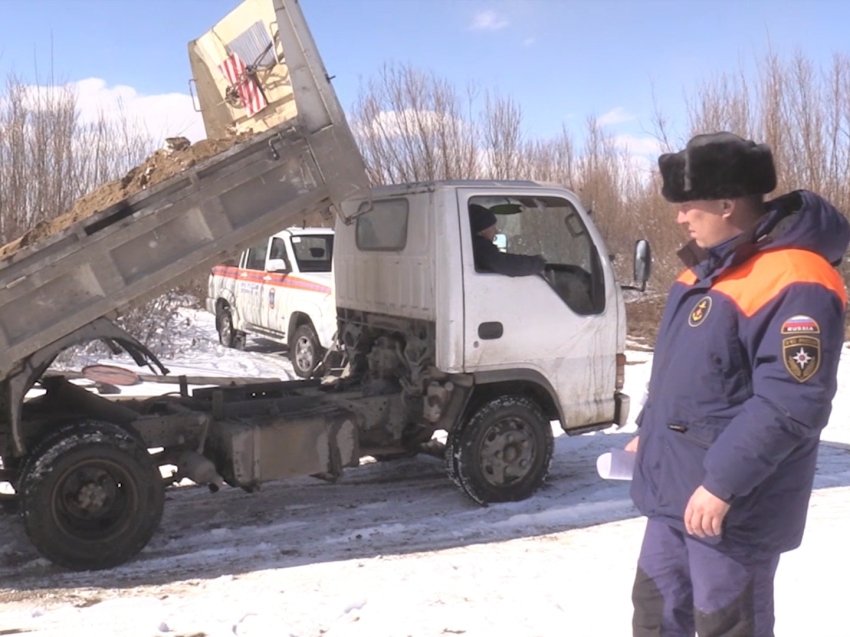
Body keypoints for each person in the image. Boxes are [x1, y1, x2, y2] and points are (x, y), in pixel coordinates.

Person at [628, 131, 849, 636]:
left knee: (725, 624)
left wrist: (721, 483)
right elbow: (681, 376)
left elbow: (792, 401)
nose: (679, 217)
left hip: (730, 506)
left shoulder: (796, 277)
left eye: (688, 205)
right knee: (656, 613)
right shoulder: (701, 274)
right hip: (674, 493)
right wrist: (651, 429)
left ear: (727, 204)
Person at [469, 203, 546, 276]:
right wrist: (537, 264)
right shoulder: (480, 248)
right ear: (482, 229)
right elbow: (505, 264)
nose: (496, 231)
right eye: (492, 227)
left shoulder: (473, 246)